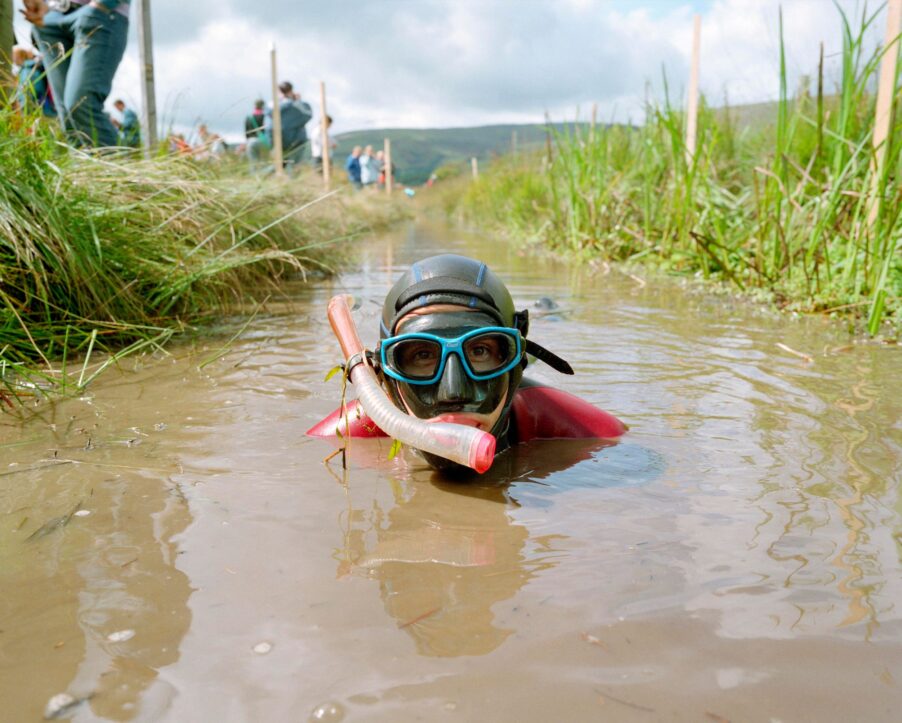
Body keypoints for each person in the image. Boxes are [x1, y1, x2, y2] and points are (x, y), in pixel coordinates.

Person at [308, 254, 626, 473]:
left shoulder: (586, 431)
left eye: (480, 352)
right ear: (386, 379)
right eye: (421, 355)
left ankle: (549, 312)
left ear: (514, 368)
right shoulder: (353, 429)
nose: (453, 392)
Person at [22, 0, 130, 147]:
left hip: (98, 11)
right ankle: (86, 169)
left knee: (81, 103)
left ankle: (115, 168)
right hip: (49, 18)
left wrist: (103, 5)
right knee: (67, 115)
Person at [267, 80, 312, 172]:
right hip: (295, 141)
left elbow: (268, 119)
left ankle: (265, 179)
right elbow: (308, 115)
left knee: (277, 166)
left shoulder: (272, 104)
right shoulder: (297, 105)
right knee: (293, 168)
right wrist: (298, 101)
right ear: (291, 90)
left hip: (278, 140)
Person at [12, 45, 55, 116]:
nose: (13, 60)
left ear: (19, 57)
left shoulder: (27, 71)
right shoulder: (34, 67)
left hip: (40, 112)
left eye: (13, 57)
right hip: (45, 108)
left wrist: (25, 112)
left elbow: (29, 93)